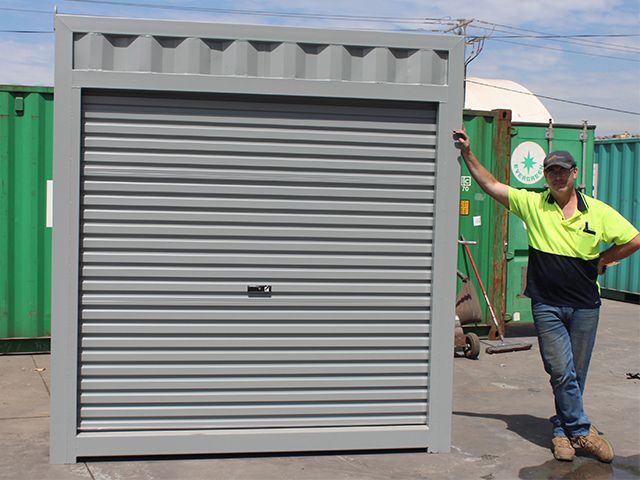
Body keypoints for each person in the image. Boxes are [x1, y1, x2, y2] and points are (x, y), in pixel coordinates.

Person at [452, 129, 640, 463]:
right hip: (547, 305)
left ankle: (560, 433)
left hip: (585, 306)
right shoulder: (534, 204)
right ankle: (581, 431)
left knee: (575, 375)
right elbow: (491, 185)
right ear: (545, 175)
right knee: (560, 371)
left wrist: (605, 259)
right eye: (551, 171)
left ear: (574, 174)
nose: (557, 176)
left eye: (562, 171)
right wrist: (468, 153)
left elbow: (634, 238)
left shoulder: (597, 211)